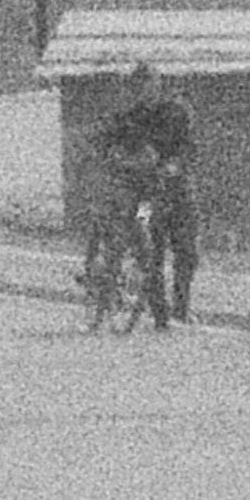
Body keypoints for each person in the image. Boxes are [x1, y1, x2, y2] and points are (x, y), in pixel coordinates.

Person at [88, 67, 204, 326]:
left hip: (178, 191)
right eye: (138, 87)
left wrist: (175, 165)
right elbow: (101, 138)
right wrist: (114, 155)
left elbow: (189, 146)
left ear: (158, 85)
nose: (143, 92)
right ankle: (160, 311)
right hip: (146, 196)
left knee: (187, 251)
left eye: (148, 85)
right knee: (151, 250)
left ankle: (182, 305)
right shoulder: (130, 118)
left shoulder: (176, 112)